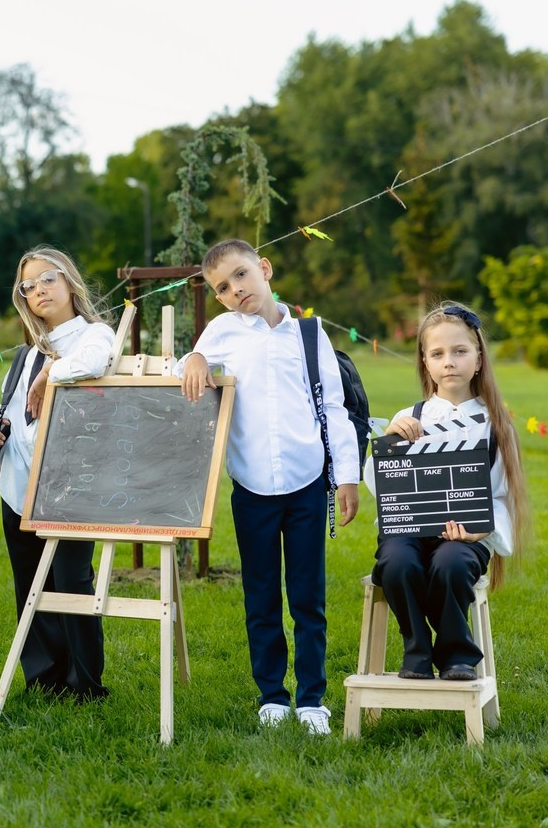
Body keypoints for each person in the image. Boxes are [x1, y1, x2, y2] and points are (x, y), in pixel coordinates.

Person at [180, 239, 360, 735]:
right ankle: (272, 697)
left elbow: (335, 408)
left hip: (307, 484)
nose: (235, 290)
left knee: (307, 596)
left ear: (264, 268)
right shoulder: (221, 332)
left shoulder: (309, 333)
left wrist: (345, 476)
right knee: (260, 594)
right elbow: (191, 367)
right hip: (252, 488)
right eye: (222, 287)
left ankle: (311, 699)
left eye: (241, 276)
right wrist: (194, 359)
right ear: (217, 299)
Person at [363, 302, 530, 680]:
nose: (449, 362)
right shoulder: (411, 417)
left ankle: (457, 654)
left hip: (466, 535)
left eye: (460, 351)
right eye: (437, 354)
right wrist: (390, 439)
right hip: (409, 529)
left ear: (479, 358)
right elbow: (380, 485)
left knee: (450, 563)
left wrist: (483, 529)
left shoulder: (496, 424)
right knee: (397, 563)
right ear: (425, 362)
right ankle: (417, 650)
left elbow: (503, 495)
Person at [0, 246, 113, 701]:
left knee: (71, 582)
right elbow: (13, 410)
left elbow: (93, 364)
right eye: (28, 286)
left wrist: (53, 369)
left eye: (47, 279)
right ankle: (44, 679)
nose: (38, 291)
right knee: (28, 581)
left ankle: (84, 683)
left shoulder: (93, 336)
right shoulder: (26, 354)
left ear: (69, 281)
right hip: (18, 483)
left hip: (70, 484)